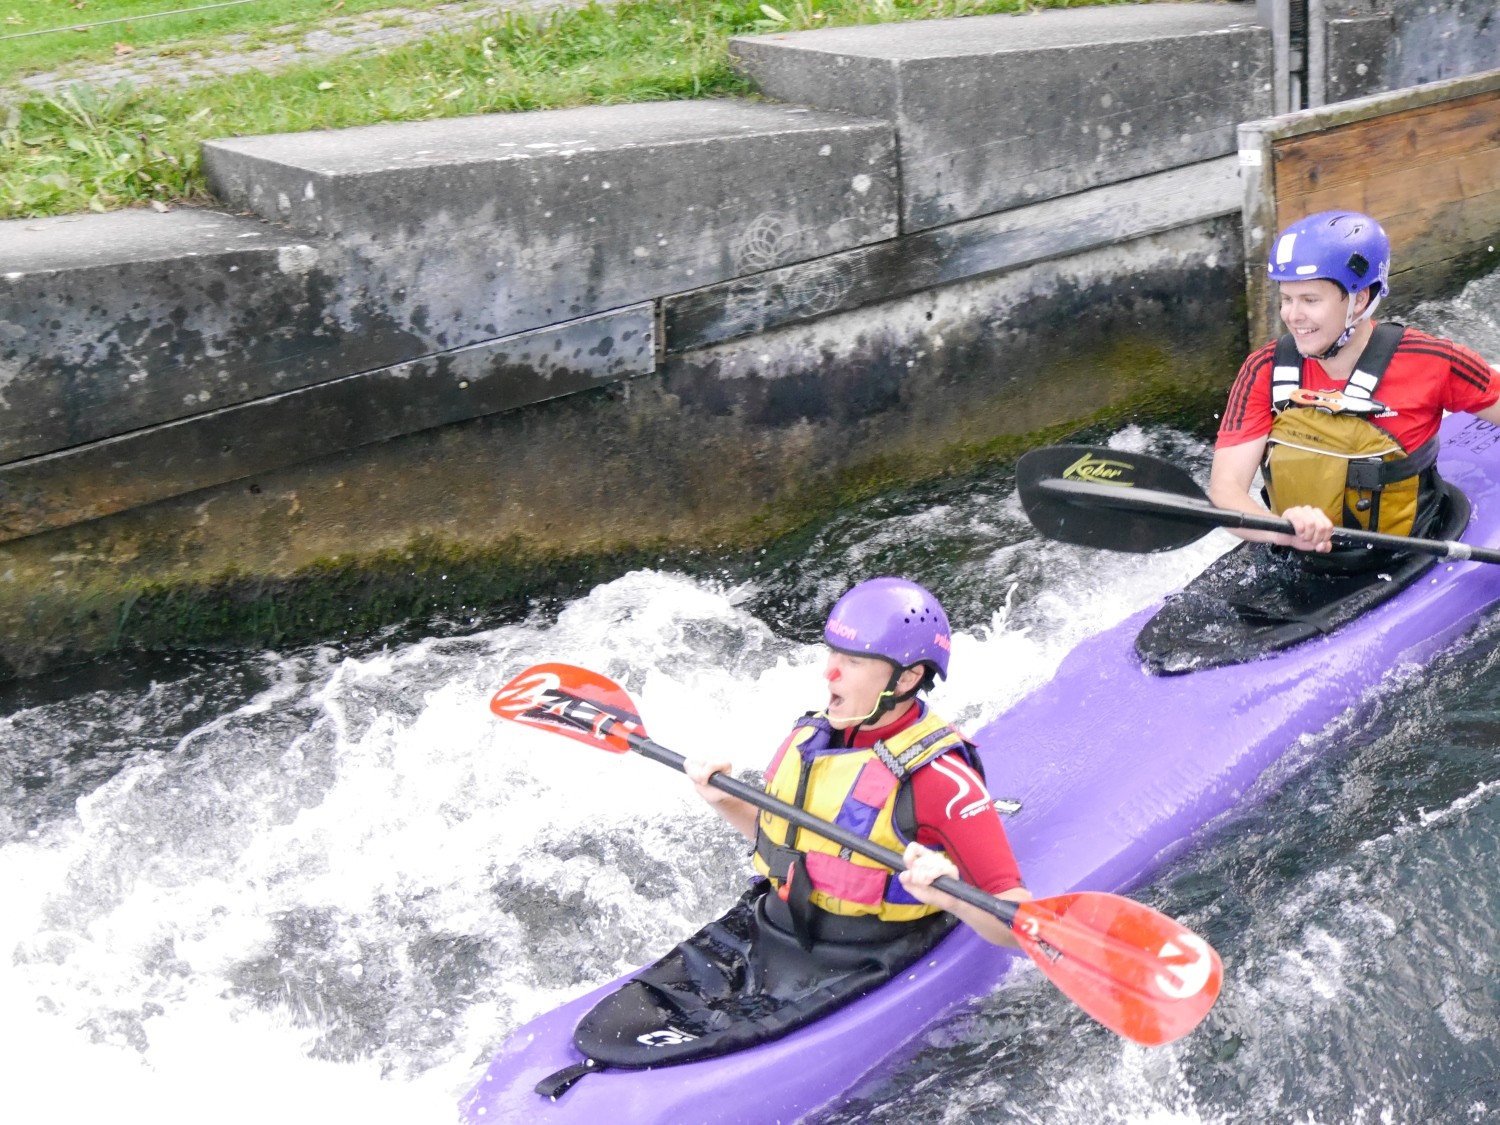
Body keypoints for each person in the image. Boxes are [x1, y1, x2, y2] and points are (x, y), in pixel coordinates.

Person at [685, 576, 1030, 950]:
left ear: (906, 678)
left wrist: (953, 897)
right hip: (777, 924)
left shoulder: (941, 782)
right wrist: (724, 799)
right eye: (832, 652)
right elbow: (790, 843)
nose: (829, 672)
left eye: (852, 660)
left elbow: (1021, 923)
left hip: (864, 956)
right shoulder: (813, 739)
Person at [1209, 210, 1500, 559]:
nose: (1292, 315)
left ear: (1359, 299)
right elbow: (1225, 490)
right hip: (1295, 550)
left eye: (1310, 300)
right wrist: (1282, 530)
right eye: (1287, 298)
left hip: (1404, 552)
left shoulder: (1434, 361)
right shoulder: (1263, 369)